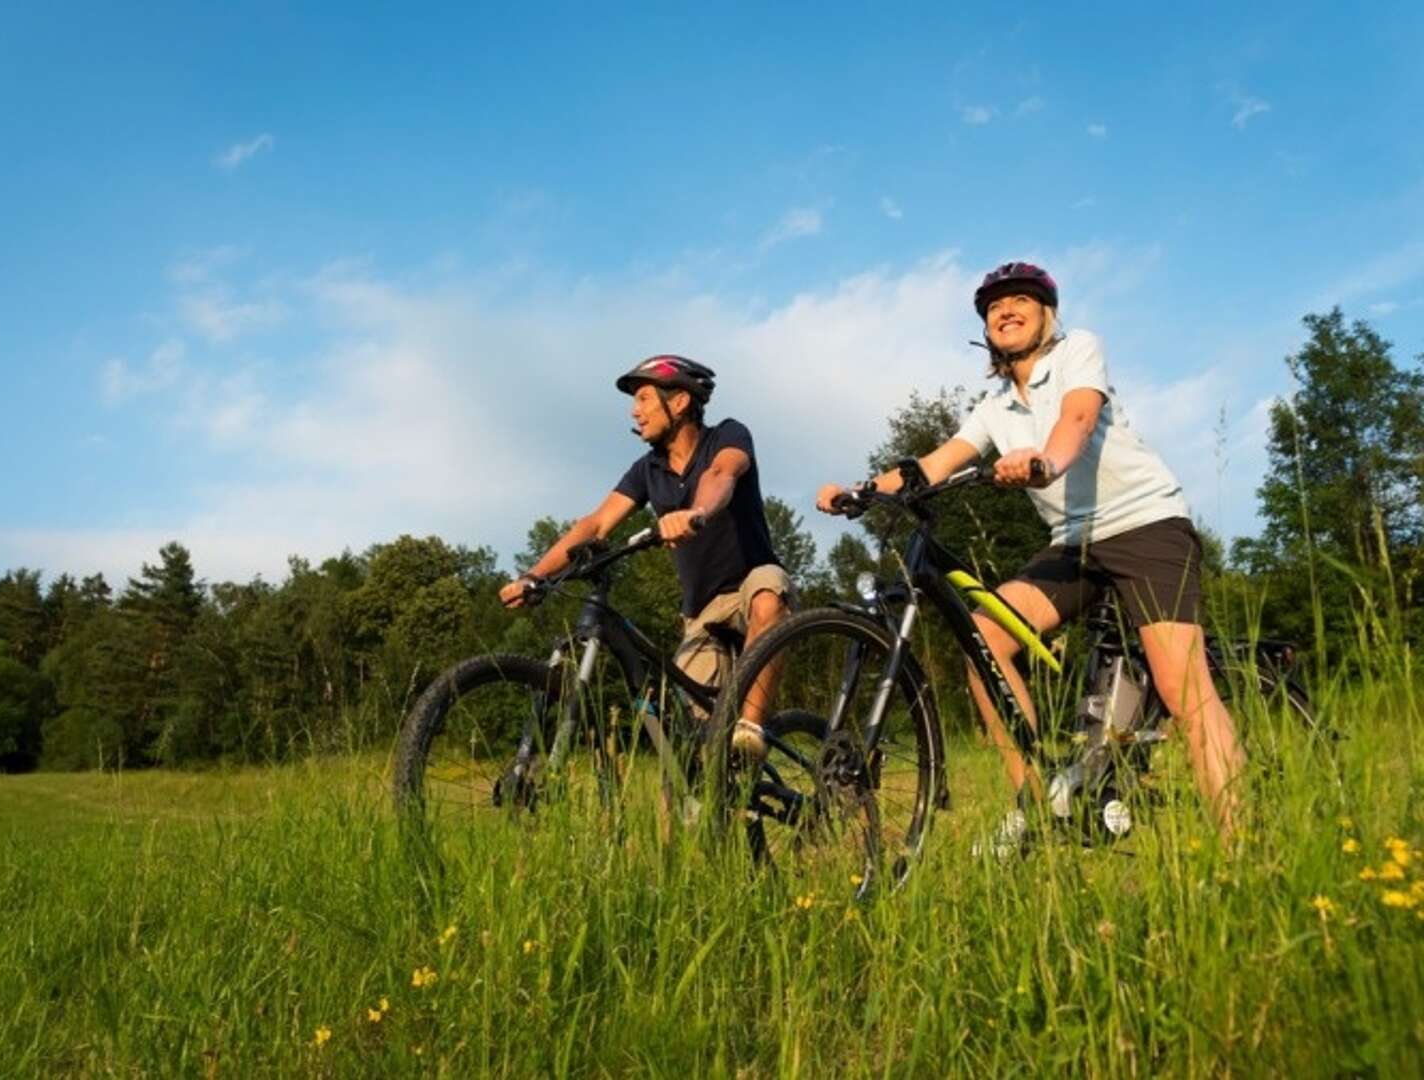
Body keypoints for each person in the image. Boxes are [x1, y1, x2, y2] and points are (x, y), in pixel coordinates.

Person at [816, 262, 1247, 840]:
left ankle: (1245, 842)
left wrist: (1044, 462)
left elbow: (1078, 417)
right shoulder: (994, 408)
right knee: (986, 638)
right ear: (986, 329)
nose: (1006, 310)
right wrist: (862, 491)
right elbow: (934, 464)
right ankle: (1039, 800)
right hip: (1073, 545)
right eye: (994, 306)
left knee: (1182, 688)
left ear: (1048, 314)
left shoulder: (1076, 353)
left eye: (1021, 299)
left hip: (1144, 524)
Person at [500, 354, 791, 761]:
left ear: (679, 402)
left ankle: (750, 731)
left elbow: (721, 475)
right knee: (689, 756)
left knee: (768, 597)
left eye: (643, 399)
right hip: (701, 613)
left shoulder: (727, 435)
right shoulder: (646, 469)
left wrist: (697, 513)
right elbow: (597, 523)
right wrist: (534, 577)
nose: (635, 413)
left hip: (748, 584)